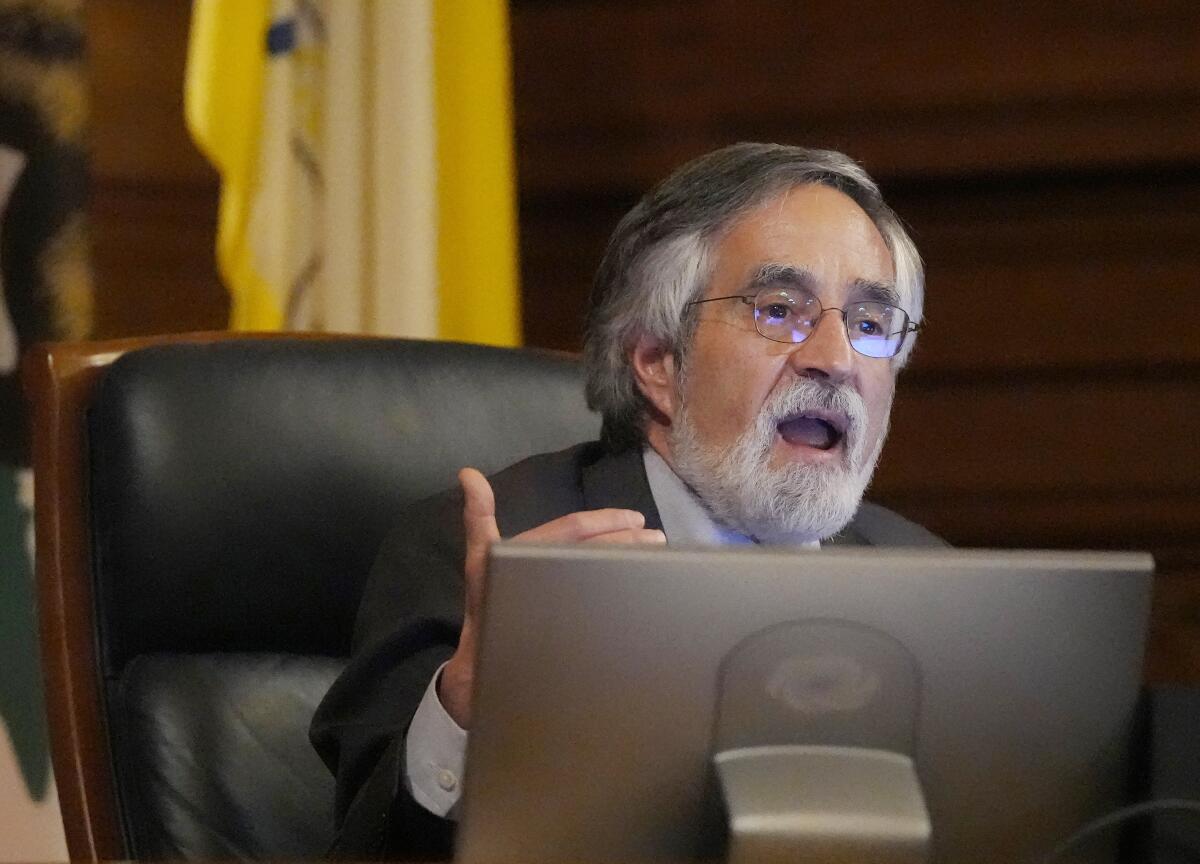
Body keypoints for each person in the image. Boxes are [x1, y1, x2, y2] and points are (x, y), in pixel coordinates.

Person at [309, 142, 945, 859]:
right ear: (658, 363)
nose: (834, 358)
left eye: (868, 324)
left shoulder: (935, 584)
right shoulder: (482, 559)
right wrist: (469, 708)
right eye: (778, 309)